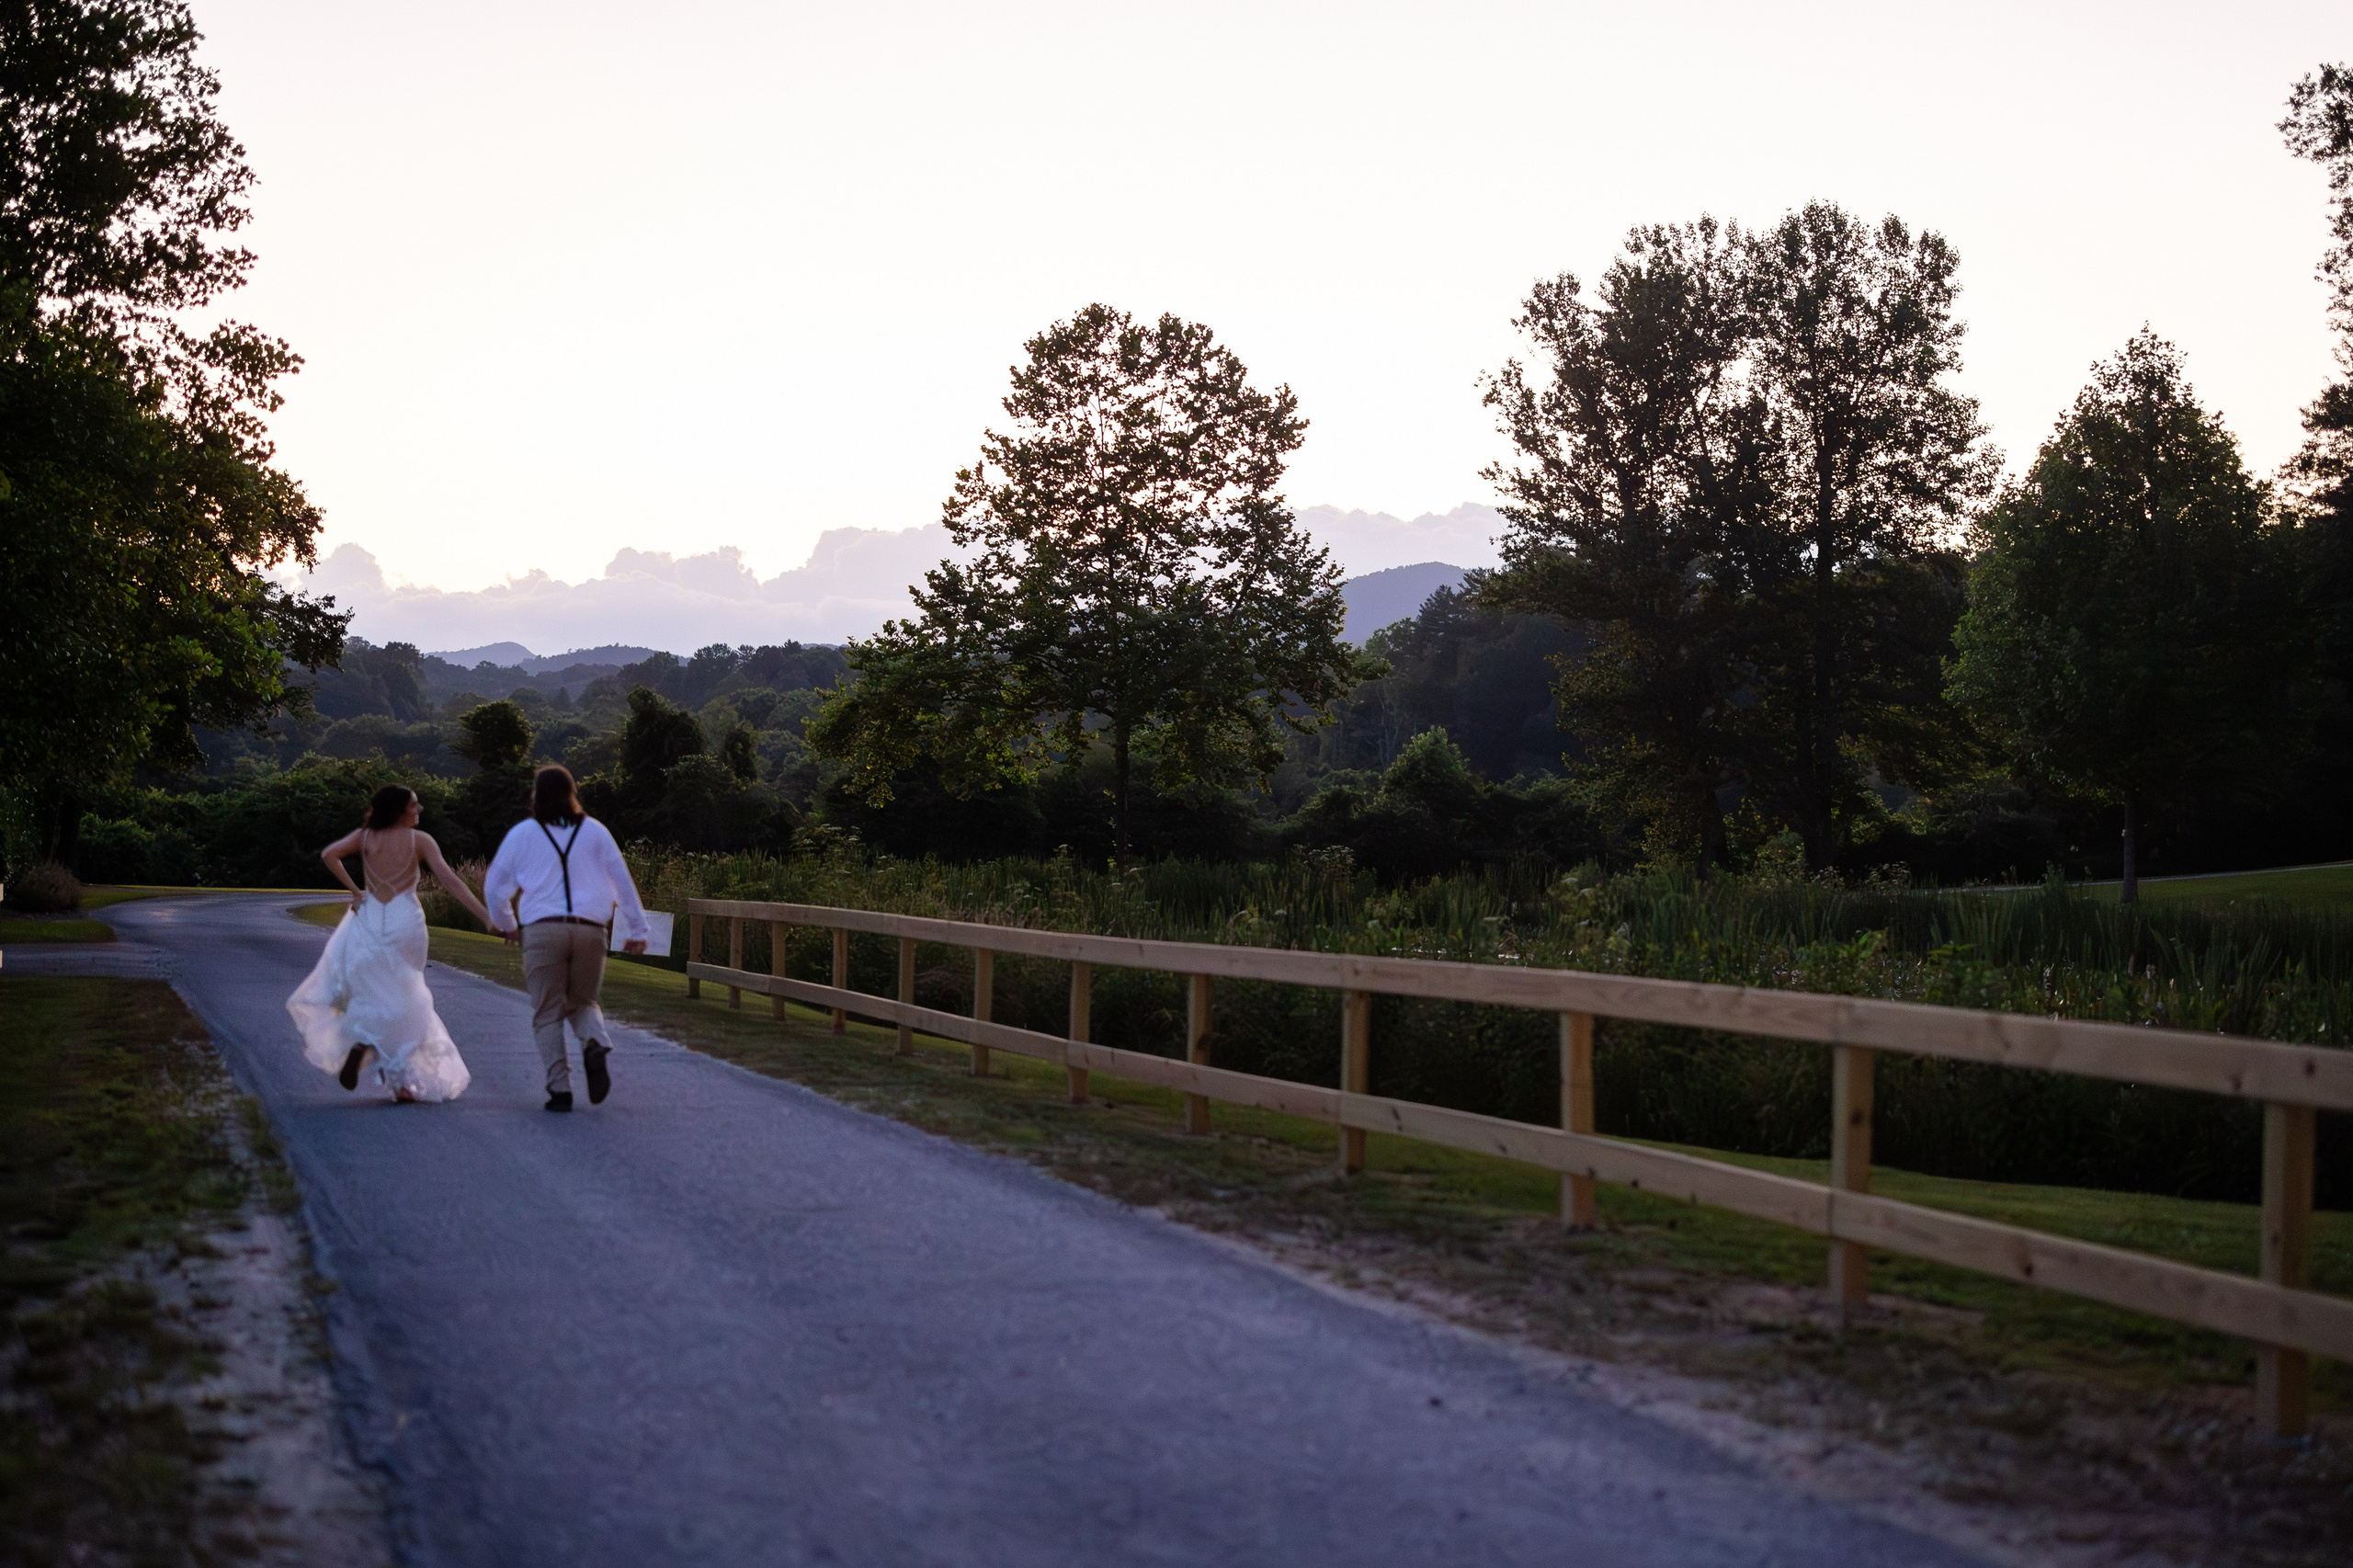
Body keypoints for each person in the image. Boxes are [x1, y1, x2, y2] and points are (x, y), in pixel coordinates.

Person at [289, 783, 494, 1104]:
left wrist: (356, 891)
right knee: (408, 996)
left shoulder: (366, 836)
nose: (419, 811)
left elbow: (329, 855)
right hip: (405, 921)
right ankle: (396, 1077)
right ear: (400, 810)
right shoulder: (420, 841)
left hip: (370, 919)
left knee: (376, 994)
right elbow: (451, 881)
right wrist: (485, 916)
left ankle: (371, 1050)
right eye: (415, 806)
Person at [483, 766, 652, 1112]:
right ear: (572, 792)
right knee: (583, 1002)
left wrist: (508, 924)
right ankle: (594, 1041)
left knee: (547, 1010)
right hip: (590, 930)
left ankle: (560, 1089)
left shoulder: (523, 834)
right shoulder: (596, 832)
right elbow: (622, 881)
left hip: (543, 929)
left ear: (536, 795)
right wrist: (639, 929)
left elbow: (495, 887)